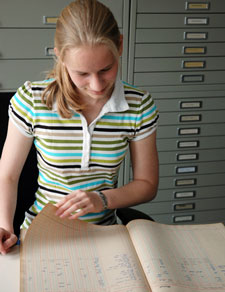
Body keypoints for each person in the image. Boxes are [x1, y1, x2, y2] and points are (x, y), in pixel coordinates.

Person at [0, 0, 159, 255]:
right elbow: (7, 175)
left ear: (119, 45)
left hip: (105, 237)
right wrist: (4, 228)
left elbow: (147, 183)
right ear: (60, 57)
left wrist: (102, 199)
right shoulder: (32, 99)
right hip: (42, 236)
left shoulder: (139, 106)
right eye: (82, 73)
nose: (96, 85)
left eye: (106, 69)